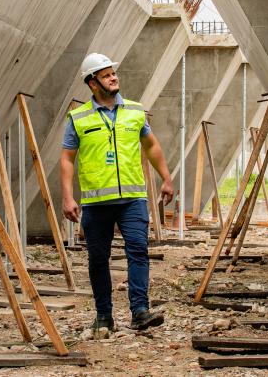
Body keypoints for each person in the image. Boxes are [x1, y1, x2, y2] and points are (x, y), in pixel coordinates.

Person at [60, 53, 174, 332]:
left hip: (133, 200)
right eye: (107, 74)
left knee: (138, 251)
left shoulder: (135, 112)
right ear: (92, 83)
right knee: (98, 259)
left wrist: (167, 178)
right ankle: (103, 316)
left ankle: (140, 311)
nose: (114, 77)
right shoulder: (79, 118)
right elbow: (66, 159)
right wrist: (67, 196)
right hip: (97, 203)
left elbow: (151, 146)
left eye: (113, 73)